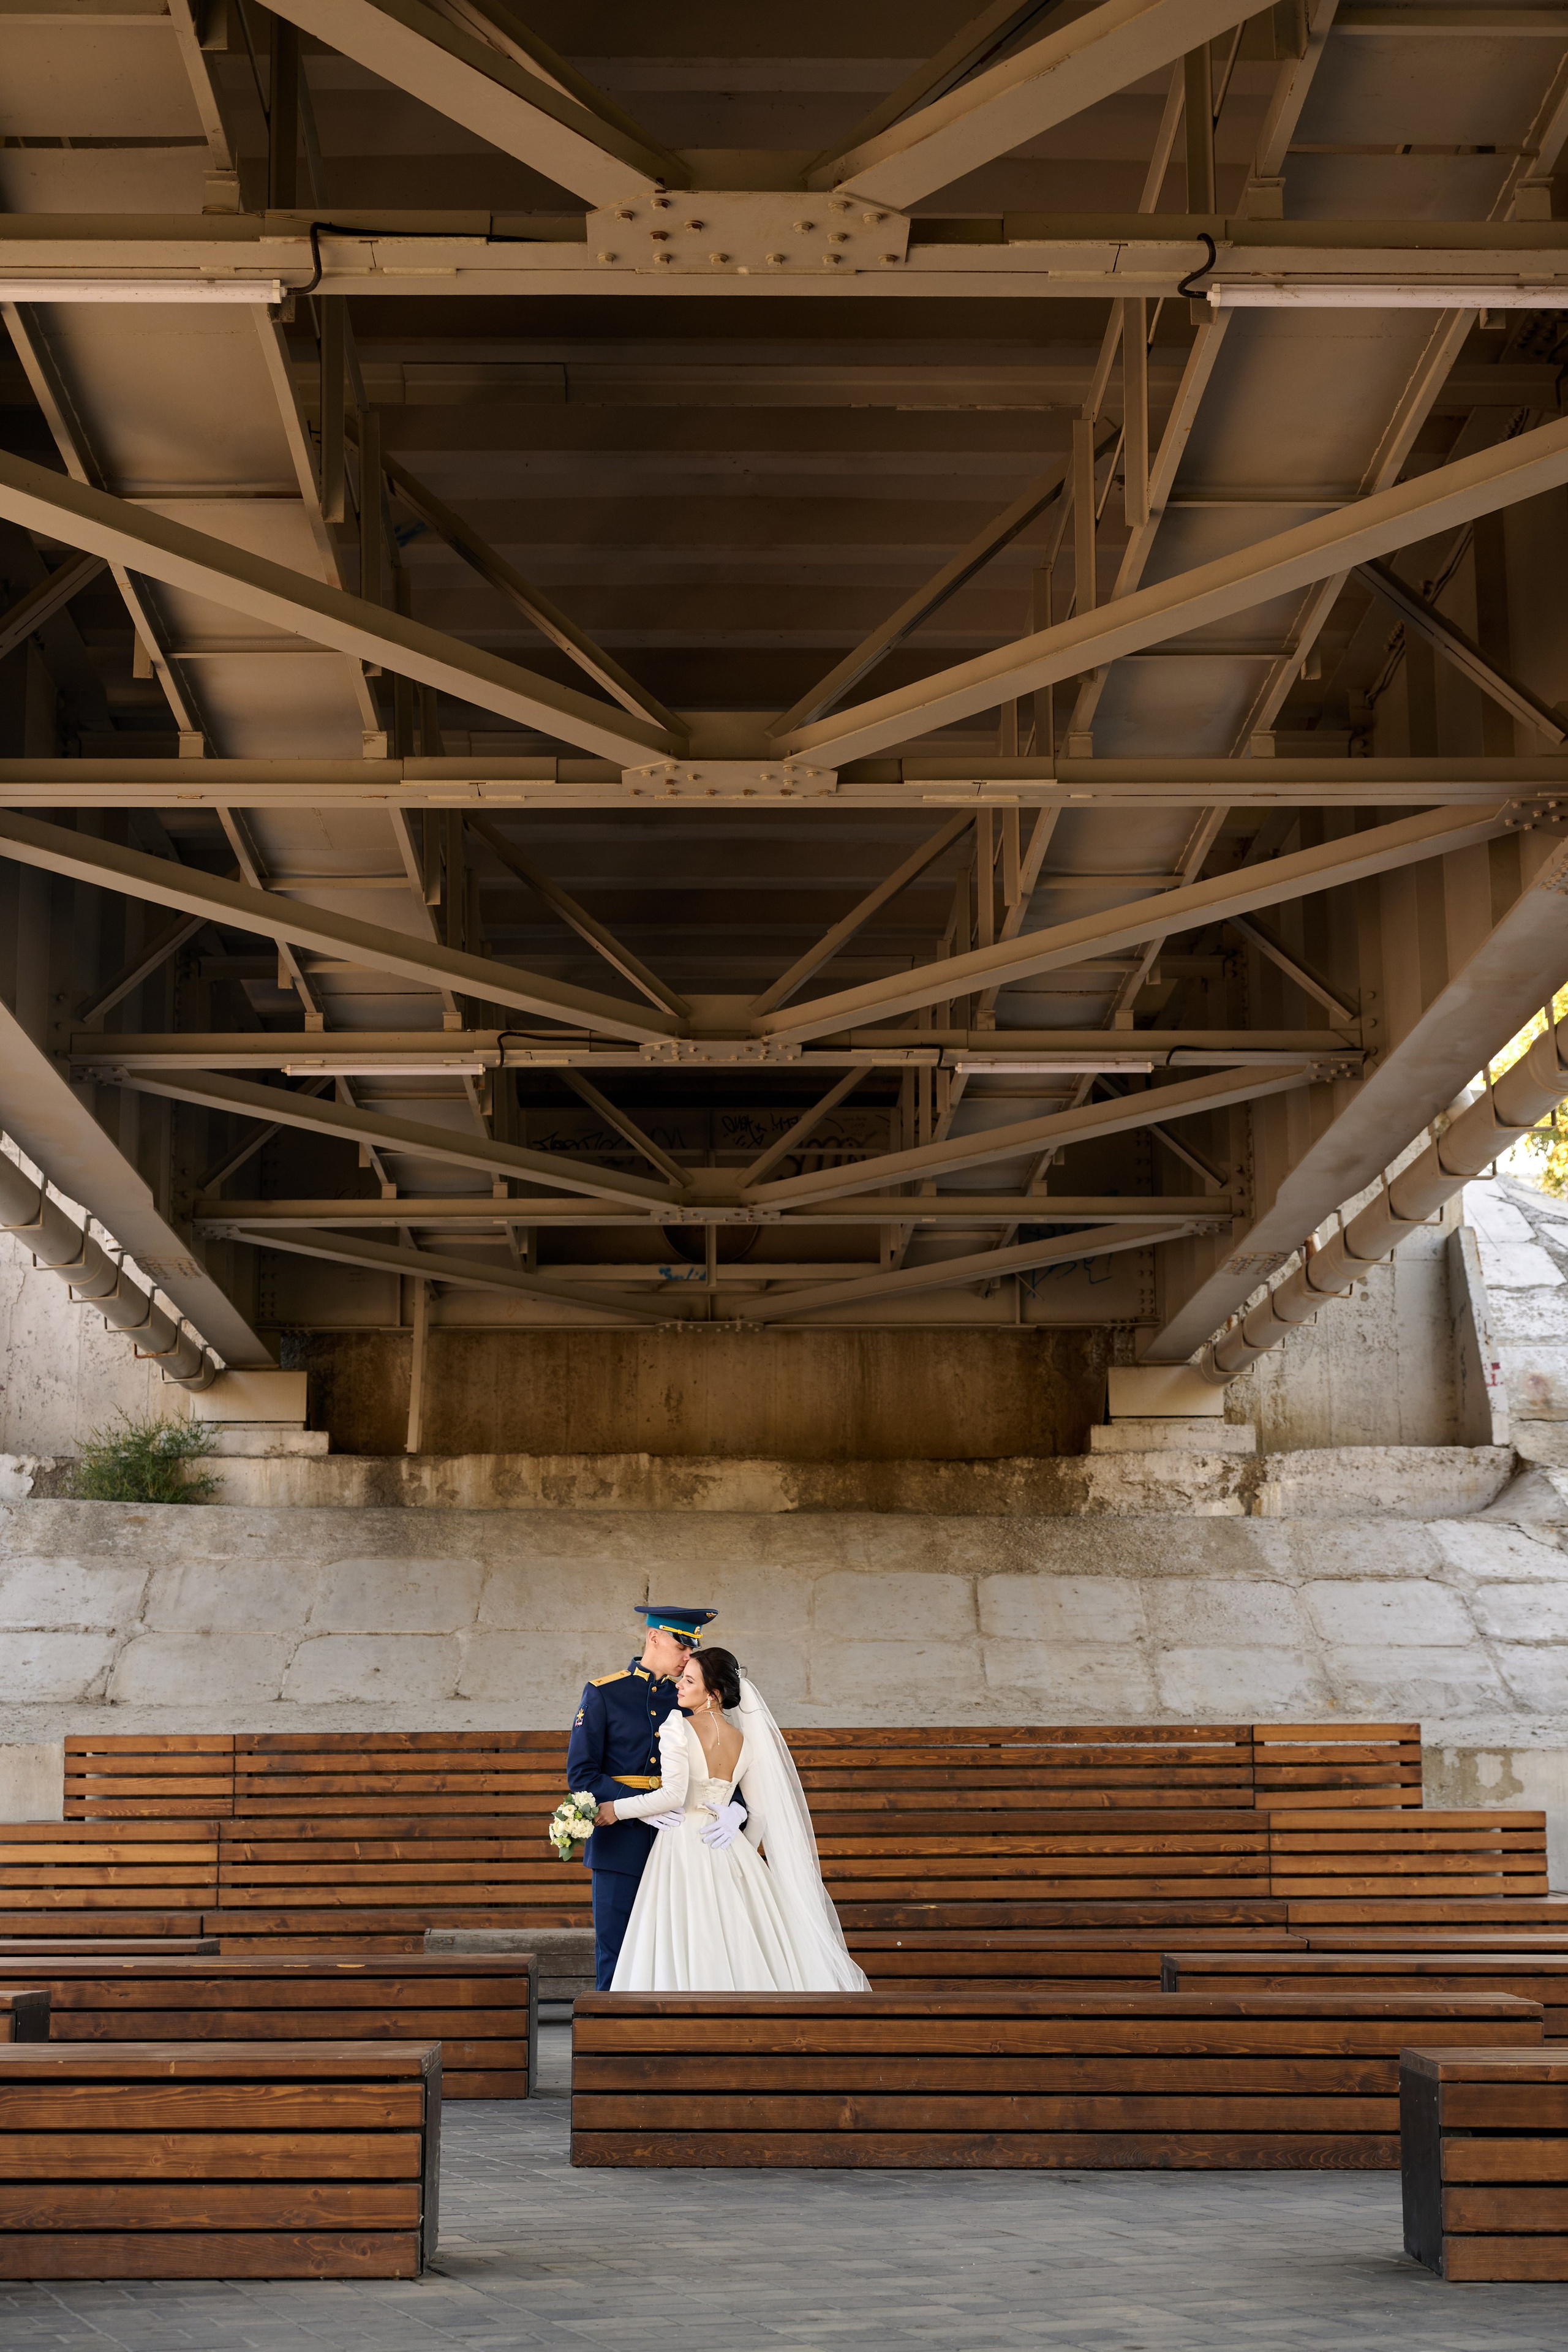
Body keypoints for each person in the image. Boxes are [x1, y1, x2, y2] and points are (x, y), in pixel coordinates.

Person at [606, 1645, 870, 1994]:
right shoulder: (745, 1739)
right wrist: (739, 1850)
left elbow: (672, 1796)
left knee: (685, 1933)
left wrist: (615, 1809)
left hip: (683, 1842)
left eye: (688, 1680)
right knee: (739, 1936)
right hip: (726, 1843)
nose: (679, 1686)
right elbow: (758, 1813)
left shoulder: (676, 1725)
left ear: (713, 1693)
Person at [567, 1604, 745, 1992]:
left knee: (680, 1951)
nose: (689, 1656)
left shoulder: (693, 1698)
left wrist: (736, 1812)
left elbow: (728, 1774)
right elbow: (581, 1774)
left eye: (693, 1648)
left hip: (684, 1843)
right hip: (621, 1841)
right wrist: (638, 1808)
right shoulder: (604, 1693)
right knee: (617, 1947)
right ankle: (611, 2047)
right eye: (683, 1646)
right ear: (654, 1637)